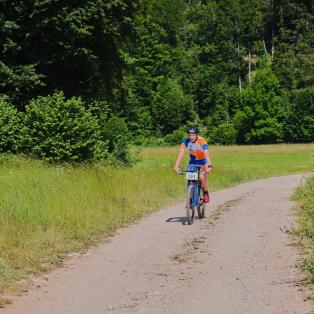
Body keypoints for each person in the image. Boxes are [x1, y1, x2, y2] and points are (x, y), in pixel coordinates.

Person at [174, 126, 213, 203]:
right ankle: (190, 197)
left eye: (193, 135)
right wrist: (176, 166)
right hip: (192, 162)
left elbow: (206, 154)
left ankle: (205, 193)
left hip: (202, 162)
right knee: (189, 178)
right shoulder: (185, 141)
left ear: (197, 134)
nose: (191, 137)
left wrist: (209, 165)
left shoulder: (202, 140)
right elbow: (180, 154)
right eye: (189, 135)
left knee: (202, 177)